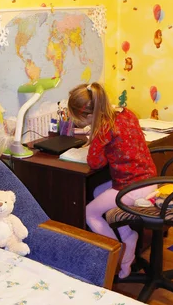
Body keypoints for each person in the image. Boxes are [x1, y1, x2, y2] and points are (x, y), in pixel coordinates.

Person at [67, 82, 157, 279]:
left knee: (89, 212)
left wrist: (94, 139)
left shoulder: (103, 128)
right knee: (99, 192)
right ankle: (127, 235)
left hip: (132, 188)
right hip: (149, 180)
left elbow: (95, 162)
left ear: (89, 116)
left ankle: (118, 256)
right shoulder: (126, 113)